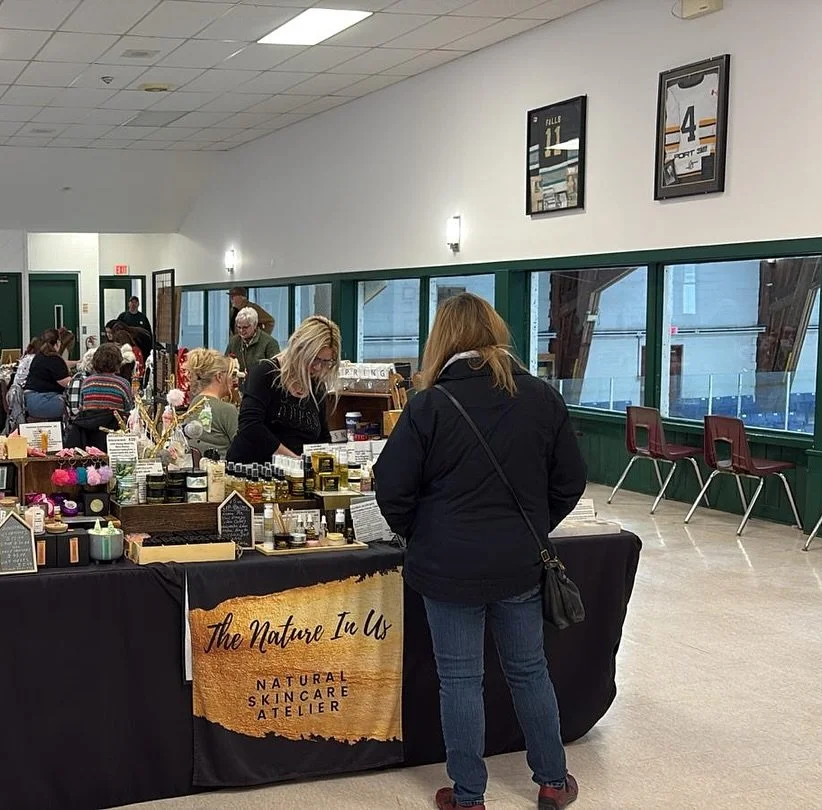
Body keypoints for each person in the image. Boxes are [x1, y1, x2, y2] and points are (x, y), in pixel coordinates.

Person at [373, 293, 586, 810]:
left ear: (442, 340)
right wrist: (533, 527)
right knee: (529, 669)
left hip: (448, 567)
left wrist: (418, 533)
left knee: (461, 680)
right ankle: (553, 781)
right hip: (519, 565)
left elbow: (391, 489)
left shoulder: (429, 405)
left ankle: (469, 795)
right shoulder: (540, 397)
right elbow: (571, 481)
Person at [226, 315, 337, 463]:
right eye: (314, 359)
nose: (317, 367)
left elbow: (323, 436)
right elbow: (250, 425)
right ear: (298, 348)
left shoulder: (316, 386)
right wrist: (293, 460)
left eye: (325, 362)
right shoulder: (265, 373)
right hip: (252, 471)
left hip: (296, 476)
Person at [66, 344, 132, 451]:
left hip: (89, 438)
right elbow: (129, 411)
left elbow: (82, 409)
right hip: (115, 439)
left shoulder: (87, 383)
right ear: (118, 363)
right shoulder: (123, 384)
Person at [183, 348, 239, 457]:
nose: (233, 379)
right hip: (221, 470)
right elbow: (244, 448)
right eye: (230, 374)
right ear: (219, 376)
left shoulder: (195, 403)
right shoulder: (227, 410)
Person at [24, 329, 72, 421]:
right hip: (43, 402)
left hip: (31, 402)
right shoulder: (54, 359)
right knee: (75, 407)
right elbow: (67, 383)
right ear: (58, 342)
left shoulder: (39, 356)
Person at [225, 307, 280, 371]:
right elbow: (225, 364)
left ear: (255, 325)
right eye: (239, 327)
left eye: (245, 327)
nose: (241, 330)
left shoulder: (270, 343)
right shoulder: (234, 341)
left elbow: (275, 370)